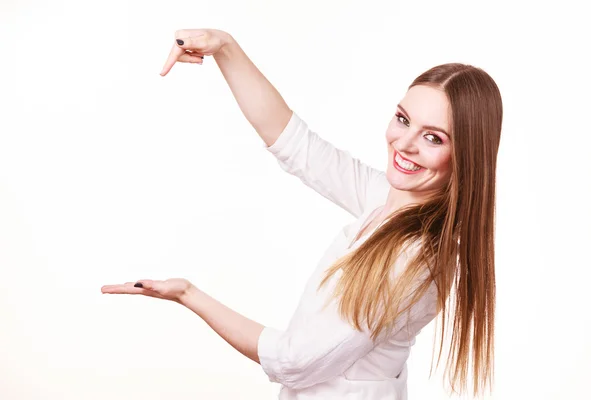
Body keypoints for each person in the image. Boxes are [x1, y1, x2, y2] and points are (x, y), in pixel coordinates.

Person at [101, 28, 502, 399]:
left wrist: (188, 294)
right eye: (403, 119)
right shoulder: (389, 199)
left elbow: (294, 362)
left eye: (433, 137)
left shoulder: (414, 259)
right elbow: (295, 144)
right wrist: (224, 46)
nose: (405, 143)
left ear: (466, 154)